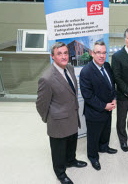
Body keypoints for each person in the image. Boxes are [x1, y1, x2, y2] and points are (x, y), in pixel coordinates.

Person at [36, 42, 87, 184]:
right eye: (60, 54)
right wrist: (49, 119)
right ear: (53, 57)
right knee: (58, 150)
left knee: (72, 142)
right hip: (58, 121)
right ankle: (60, 173)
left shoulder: (69, 68)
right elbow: (41, 104)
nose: (64, 56)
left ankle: (71, 160)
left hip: (71, 116)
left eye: (66, 53)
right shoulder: (47, 78)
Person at [79, 41, 117, 171]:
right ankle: (93, 156)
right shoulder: (86, 71)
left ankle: (104, 147)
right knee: (93, 136)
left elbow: (111, 85)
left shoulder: (106, 65)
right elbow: (88, 96)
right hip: (95, 112)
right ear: (92, 53)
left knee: (106, 131)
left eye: (104, 52)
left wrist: (114, 99)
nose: (101, 55)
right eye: (98, 52)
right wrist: (104, 106)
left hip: (109, 108)